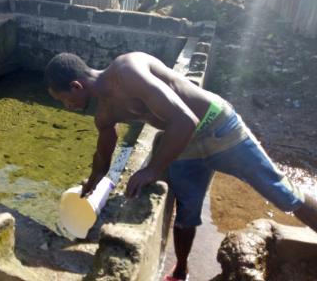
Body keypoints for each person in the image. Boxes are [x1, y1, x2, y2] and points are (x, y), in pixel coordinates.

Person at [44, 51, 317, 281]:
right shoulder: (105, 113)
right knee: (186, 214)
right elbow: (104, 151)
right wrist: (93, 182)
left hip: (218, 126)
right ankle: (181, 270)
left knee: (283, 194)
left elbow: (185, 120)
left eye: (62, 99)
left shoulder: (127, 70)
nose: (66, 107)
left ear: (76, 86)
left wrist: (152, 169)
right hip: (184, 145)